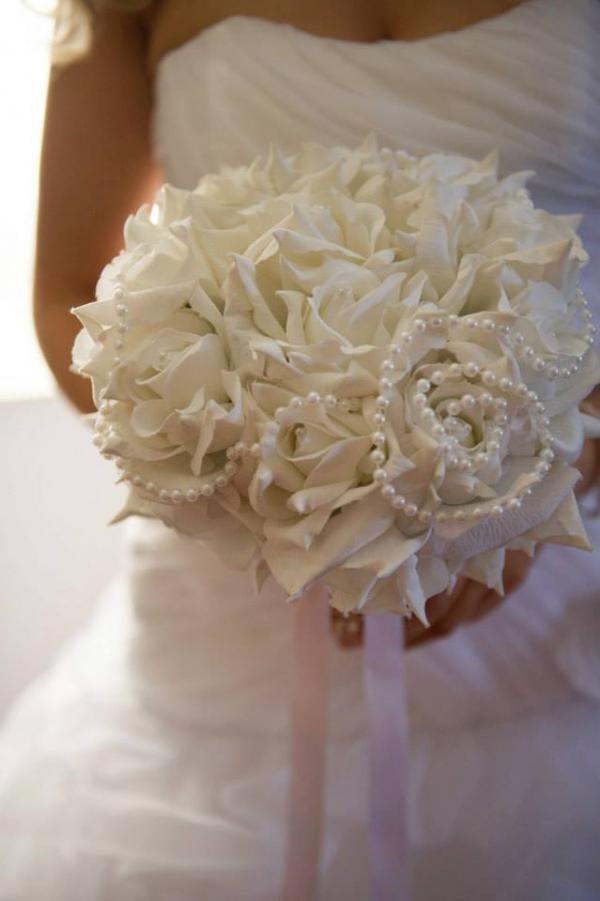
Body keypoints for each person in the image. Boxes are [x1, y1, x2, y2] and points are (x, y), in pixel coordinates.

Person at [1, 0, 599, 897]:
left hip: (542, 584)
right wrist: (255, 465)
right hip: (230, 593)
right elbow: (70, 287)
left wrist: (542, 476)